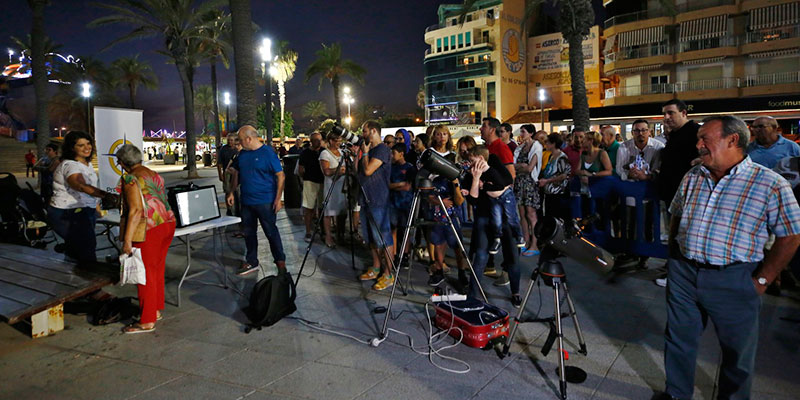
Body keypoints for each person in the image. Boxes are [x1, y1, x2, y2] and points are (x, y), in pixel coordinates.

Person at [661, 115, 800, 400]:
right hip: (685, 275)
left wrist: (762, 280)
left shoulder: (769, 184)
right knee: (678, 341)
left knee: (738, 354)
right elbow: (676, 214)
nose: (698, 144)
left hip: (734, 278)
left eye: (704, 139)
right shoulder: (693, 176)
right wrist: (675, 256)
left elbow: (790, 236)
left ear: (733, 140)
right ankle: (676, 395)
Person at [114, 144, 176, 334]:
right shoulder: (152, 173)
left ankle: (147, 320)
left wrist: (127, 239)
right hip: (167, 222)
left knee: (145, 273)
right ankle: (155, 309)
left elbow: (135, 210)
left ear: (123, 163)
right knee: (156, 268)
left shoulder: (130, 178)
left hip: (149, 228)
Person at [49, 131, 117, 264]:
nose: (87, 148)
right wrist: (106, 195)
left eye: (88, 143)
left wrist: (96, 207)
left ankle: (74, 279)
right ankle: (91, 281)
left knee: (77, 249)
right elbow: (79, 185)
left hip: (82, 210)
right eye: (81, 145)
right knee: (85, 250)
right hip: (68, 212)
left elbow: (87, 188)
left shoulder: (86, 164)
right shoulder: (70, 165)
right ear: (71, 148)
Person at [226, 125, 286, 276]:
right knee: (249, 233)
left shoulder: (267, 153)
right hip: (247, 202)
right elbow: (236, 174)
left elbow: (280, 176)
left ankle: (280, 263)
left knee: (271, 232)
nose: (238, 143)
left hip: (265, 202)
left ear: (249, 138)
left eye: (240, 140)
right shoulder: (243, 155)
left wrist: (278, 199)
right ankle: (252, 261)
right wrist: (232, 192)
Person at [466, 149, 522, 307]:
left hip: (504, 217)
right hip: (484, 217)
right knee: (481, 255)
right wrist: (476, 179)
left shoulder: (494, 161)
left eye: (472, 158)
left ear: (481, 157)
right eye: (469, 160)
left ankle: (516, 292)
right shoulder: (470, 172)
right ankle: (473, 293)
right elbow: (473, 200)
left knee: (512, 256)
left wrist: (487, 178)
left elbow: (506, 181)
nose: (472, 164)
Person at [655, 99, 700, 287]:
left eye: (670, 113)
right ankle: (673, 268)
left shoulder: (696, 132)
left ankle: (679, 275)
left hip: (688, 196)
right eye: (664, 114)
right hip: (672, 194)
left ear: (684, 113)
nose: (666, 117)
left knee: (684, 235)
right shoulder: (673, 135)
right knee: (674, 234)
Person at [479, 117, 521, 289]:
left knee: (508, 241)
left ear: (491, 129)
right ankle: (488, 267)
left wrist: (496, 190)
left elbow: (510, 175)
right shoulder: (488, 148)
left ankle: (508, 275)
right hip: (488, 201)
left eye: (484, 126)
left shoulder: (500, 148)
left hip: (501, 202)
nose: (481, 129)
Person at [426, 125, 469, 288]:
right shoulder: (430, 154)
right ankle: (438, 269)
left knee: (456, 241)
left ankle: (462, 272)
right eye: (438, 134)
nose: (442, 137)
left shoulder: (453, 156)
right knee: (438, 240)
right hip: (436, 199)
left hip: (452, 199)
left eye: (445, 134)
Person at [357, 120, 395, 291]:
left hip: (379, 200)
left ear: (373, 131)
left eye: (364, 131)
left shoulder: (382, 150)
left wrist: (365, 155)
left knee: (383, 238)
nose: (362, 135)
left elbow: (368, 171)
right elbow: (357, 173)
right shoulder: (369, 150)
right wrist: (357, 155)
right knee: (370, 237)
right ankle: (376, 266)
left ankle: (388, 274)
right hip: (365, 199)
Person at [513, 124, 542, 256]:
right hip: (520, 182)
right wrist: (521, 166)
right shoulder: (520, 148)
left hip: (529, 183)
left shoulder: (536, 147)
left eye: (523, 132)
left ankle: (534, 244)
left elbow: (529, 168)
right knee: (522, 214)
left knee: (531, 214)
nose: (521, 134)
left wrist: (521, 167)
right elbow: (515, 166)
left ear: (531, 133)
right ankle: (526, 240)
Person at [318, 132, 347, 248]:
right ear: (330, 140)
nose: (338, 143)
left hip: (342, 187)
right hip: (331, 186)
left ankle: (341, 235)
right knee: (329, 212)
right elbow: (326, 171)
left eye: (340, 140)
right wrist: (339, 170)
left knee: (342, 213)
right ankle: (328, 236)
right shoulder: (325, 154)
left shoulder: (342, 153)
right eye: (336, 140)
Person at [389, 143, 416, 267]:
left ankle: (405, 254)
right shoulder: (391, 167)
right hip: (393, 203)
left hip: (406, 203)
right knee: (393, 229)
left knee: (406, 230)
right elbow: (388, 184)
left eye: (394, 153)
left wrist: (397, 186)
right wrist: (399, 185)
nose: (392, 156)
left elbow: (408, 186)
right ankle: (393, 255)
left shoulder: (410, 168)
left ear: (401, 153)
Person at [538, 133, 572, 221]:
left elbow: (563, 175)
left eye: (548, 142)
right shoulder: (551, 156)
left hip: (558, 193)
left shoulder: (561, 158)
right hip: (549, 192)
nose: (546, 144)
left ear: (553, 143)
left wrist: (548, 180)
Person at [298, 132, 324, 241]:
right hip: (310, 181)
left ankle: (323, 230)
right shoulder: (305, 153)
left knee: (322, 207)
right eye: (315, 140)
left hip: (322, 182)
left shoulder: (323, 152)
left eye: (319, 140)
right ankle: (308, 231)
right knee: (309, 208)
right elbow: (300, 169)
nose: (318, 142)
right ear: (311, 141)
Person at [217, 133, 239, 217]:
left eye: (232, 140)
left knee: (236, 190)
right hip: (227, 173)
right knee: (227, 190)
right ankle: (229, 209)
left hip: (236, 172)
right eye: (229, 140)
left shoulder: (238, 149)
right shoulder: (224, 149)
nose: (230, 142)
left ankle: (236, 208)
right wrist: (220, 174)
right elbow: (219, 163)